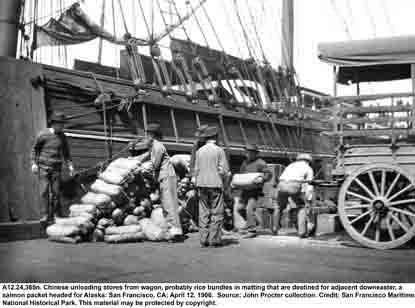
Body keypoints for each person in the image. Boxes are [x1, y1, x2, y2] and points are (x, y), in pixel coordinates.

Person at [134, 123, 183, 241]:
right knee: (166, 204)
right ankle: (172, 230)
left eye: (148, 134)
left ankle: (176, 233)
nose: (146, 137)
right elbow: (148, 156)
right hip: (163, 177)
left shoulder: (158, 146)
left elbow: (155, 164)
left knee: (170, 204)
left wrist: (143, 169)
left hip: (167, 177)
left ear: (152, 135)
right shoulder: (154, 146)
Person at [31, 112, 74, 224]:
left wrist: (70, 165)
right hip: (43, 168)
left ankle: (56, 215)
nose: (62, 126)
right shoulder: (43, 135)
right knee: (44, 192)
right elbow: (35, 149)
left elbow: (66, 153)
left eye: (62, 124)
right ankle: (45, 215)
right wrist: (34, 163)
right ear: (53, 124)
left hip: (56, 169)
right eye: (60, 124)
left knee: (56, 193)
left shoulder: (62, 137)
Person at [194, 126, 230, 247]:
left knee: (203, 212)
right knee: (217, 212)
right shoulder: (219, 150)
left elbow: (196, 170)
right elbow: (224, 170)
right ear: (216, 137)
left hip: (201, 185)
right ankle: (214, 240)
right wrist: (225, 183)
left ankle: (203, 239)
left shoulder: (199, 151)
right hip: (215, 185)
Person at [271, 153, 314, 238]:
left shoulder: (290, 165)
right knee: (301, 207)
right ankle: (302, 232)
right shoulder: (308, 168)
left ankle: (274, 228)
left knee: (279, 207)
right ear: (308, 161)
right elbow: (309, 182)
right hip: (294, 186)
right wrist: (307, 197)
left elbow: (282, 176)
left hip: (282, 184)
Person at [235, 144, 272, 237]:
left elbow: (268, 174)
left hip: (255, 190)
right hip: (245, 190)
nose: (247, 154)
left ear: (255, 153)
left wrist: (262, 179)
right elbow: (241, 175)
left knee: (249, 209)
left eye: (250, 152)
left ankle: (252, 230)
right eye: (247, 152)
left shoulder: (260, 162)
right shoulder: (245, 163)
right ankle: (252, 223)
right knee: (240, 208)